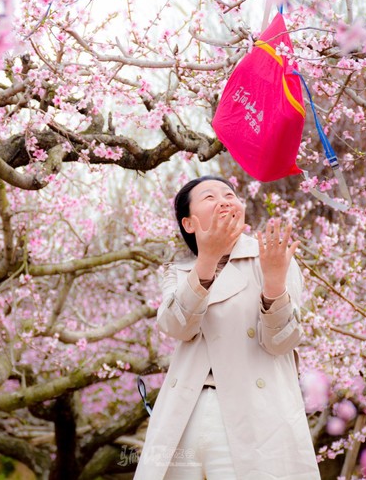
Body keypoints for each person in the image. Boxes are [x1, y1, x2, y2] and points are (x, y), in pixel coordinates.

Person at [134, 176, 320, 480]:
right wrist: (207, 260)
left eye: (229, 194)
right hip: (186, 412)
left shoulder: (271, 257)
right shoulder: (178, 272)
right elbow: (176, 327)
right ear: (188, 223)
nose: (223, 201)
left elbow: (280, 343)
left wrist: (274, 283)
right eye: (209, 197)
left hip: (254, 415)